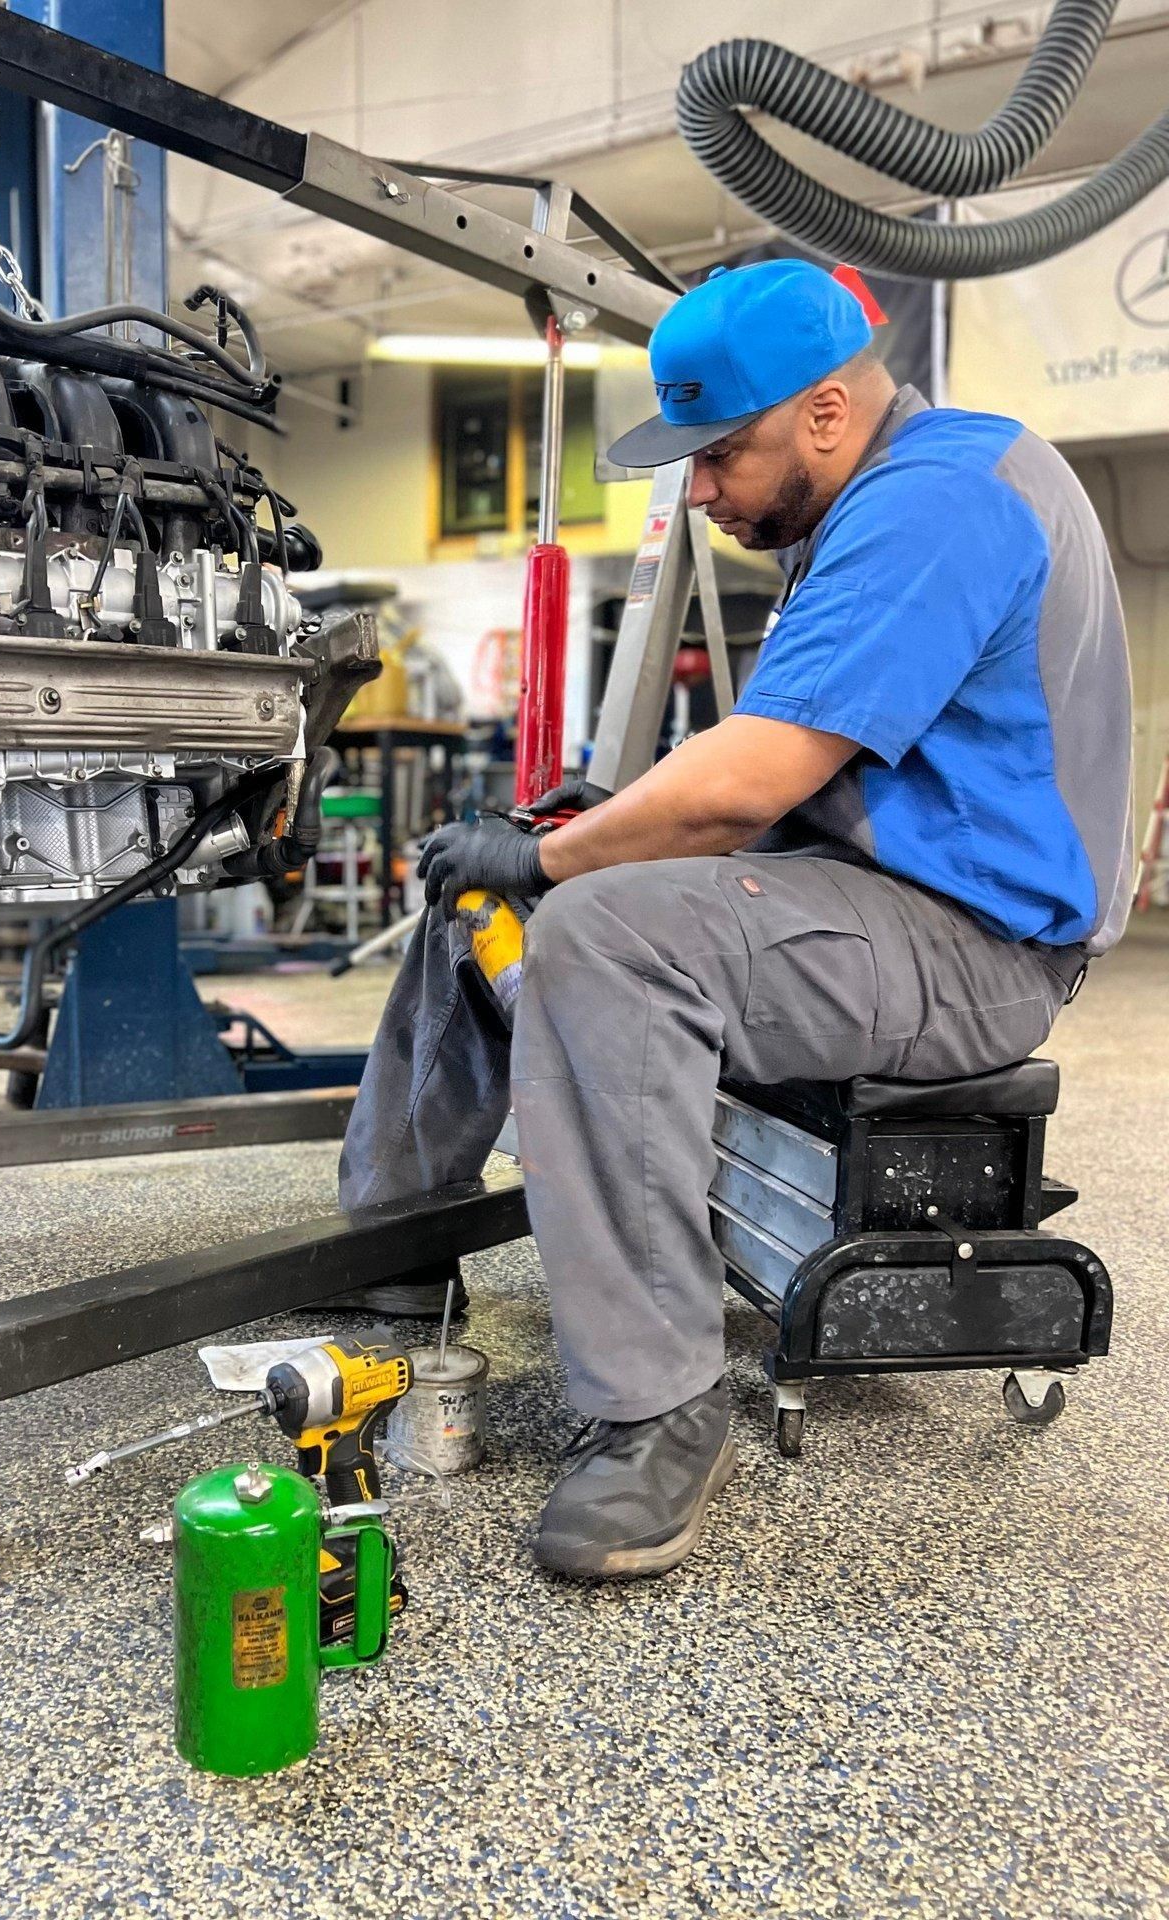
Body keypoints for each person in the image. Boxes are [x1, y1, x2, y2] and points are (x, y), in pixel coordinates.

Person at [337, 258, 1134, 1582]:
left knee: (597, 929)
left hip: (975, 946)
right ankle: (393, 1235)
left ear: (826, 412)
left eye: (722, 455)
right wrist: (569, 836)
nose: (699, 491)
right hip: (866, 896)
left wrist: (573, 863)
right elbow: (800, 764)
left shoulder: (938, 504)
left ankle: (656, 1407)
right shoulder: (876, 500)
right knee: (498, 877)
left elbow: (752, 784)